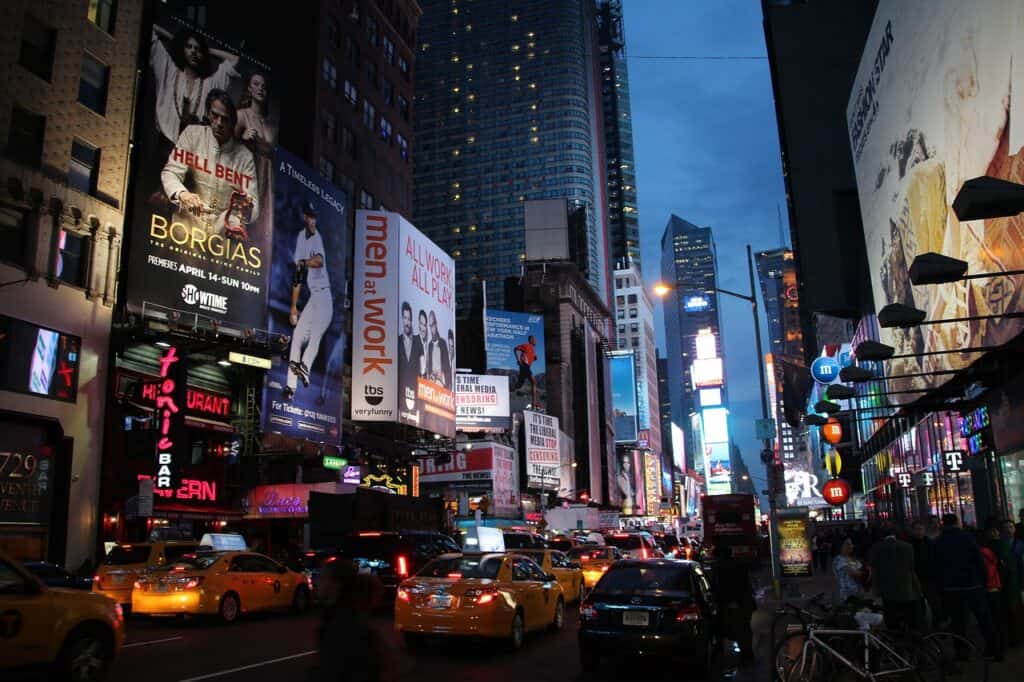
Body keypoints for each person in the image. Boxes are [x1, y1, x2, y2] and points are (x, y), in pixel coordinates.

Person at [161, 89, 258, 237]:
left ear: (233, 122)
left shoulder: (245, 157)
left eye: (225, 119)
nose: (219, 123)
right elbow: (171, 172)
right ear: (207, 113)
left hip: (222, 234)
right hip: (185, 227)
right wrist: (183, 194)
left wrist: (244, 209)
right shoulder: (192, 134)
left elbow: (254, 204)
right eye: (215, 115)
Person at [151, 25, 240, 148]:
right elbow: (151, 28)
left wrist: (208, 51)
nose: (193, 51)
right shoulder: (169, 70)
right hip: (164, 146)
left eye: (198, 49)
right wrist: (174, 39)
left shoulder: (209, 84)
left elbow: (234, 60)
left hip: (192, 153)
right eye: (189, 47)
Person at [313, 562, 402, 681]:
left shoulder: (343, 627)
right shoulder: (340, 618)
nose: (317, 581)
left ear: (335, 585)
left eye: (322, 577)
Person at [284, 202, 332, 401]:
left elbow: (319, 260)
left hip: (325, 298)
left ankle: (305, 366)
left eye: (315, 217)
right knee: (297, 337)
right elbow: (298, 278)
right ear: (305, 217)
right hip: (313, 297)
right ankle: (290, 387)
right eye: (310, 217)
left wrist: (305, 262)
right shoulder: (300, 238)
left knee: (315, 337)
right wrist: (294, 307)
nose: (312, 221)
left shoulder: (317, 238)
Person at [933, 514, 997, 659]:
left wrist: (941, 586)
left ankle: (962, 653)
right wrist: (983, 580)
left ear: (943, 523)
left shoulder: (939, 541)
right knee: (983, 619)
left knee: (958, 622)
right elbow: (979, 560)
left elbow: (936, 566)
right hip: (972, 584)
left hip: (951, 587)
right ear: (957, 522)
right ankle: (993, 649)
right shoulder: (967, 537)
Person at [869, 525, 924, 631]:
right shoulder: (907, 547)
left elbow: (874, 569)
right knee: (910, 618)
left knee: (891, 619)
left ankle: (895, 639)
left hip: (887, 590)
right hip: (906, 589)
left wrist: (876, 588)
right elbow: (911, 568)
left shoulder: (876, 548)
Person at [235, 71, 276, 202]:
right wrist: (242, 139)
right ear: (249, 88)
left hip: (267, 178)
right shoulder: (241, 115)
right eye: (256, 84)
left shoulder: (270, 126)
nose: (260, 89)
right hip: (247, 174)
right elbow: (226, 146)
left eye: (264, 86)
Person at [713, 545, 756, 664]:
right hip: (745, 602)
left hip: (735, 603)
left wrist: (726, 601)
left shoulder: (721, 567)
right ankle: (748, 654)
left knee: (739, 629)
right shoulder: (738, 564)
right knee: (745, 628)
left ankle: (746, 656)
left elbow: (721, 587)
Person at [979, 527, 1006, 661]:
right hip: (995, 587)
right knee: (997, 621)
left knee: (989, 622)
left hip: (985, 589)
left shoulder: (979, 553)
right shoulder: (991, 552)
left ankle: (994, 650)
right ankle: (1000, 649)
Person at [909, 520, 942, 629]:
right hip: (916, 579)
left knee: (935, 605)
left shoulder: (929, 543)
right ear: (912, 530)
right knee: (919, 607)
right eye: (917, 529)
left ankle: (936, 628)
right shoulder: (909, 545)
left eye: (921, 529)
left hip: (929, 578)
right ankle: (923, 629)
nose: (919, 532)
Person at [397, 302, 424, 411]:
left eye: (409, 319)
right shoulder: (397, 341)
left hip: (415, 397)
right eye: (405, 318)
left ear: (412, 321)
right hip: (399, 398)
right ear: (402, 319)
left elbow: (422, 369)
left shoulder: (418, 341)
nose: (407, 322)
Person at [834, 538, 868, 604]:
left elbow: (864, 572)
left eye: (851, 544)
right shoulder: (838, 560)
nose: (851, 546)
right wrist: (864, 573)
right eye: (848, 544)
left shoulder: (854, 560)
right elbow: (854, 573)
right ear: (841, 547)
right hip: (846, 595)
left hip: (858, 593)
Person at [511, 334, 539, 406]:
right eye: (535, 340)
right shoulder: (526, 345)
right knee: (534, 382)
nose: (536, 341)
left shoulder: (533, 350)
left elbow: (531, 358)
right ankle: (534, 403)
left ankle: (508, 389)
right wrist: (518, 360)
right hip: (524, 365)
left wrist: (535, 358)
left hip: (527, 367)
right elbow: (515, 349)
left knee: (519, 385)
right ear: (531, 340)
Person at [426, 311, 451, 387]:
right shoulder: (429, 345)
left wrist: (442, 375)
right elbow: (429, 367)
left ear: (436, 324)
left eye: (433, 325)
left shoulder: (442, 343)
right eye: (430, 326)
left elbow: (447, 366)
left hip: (442, 384)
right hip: (432, 383)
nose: (431, 328)